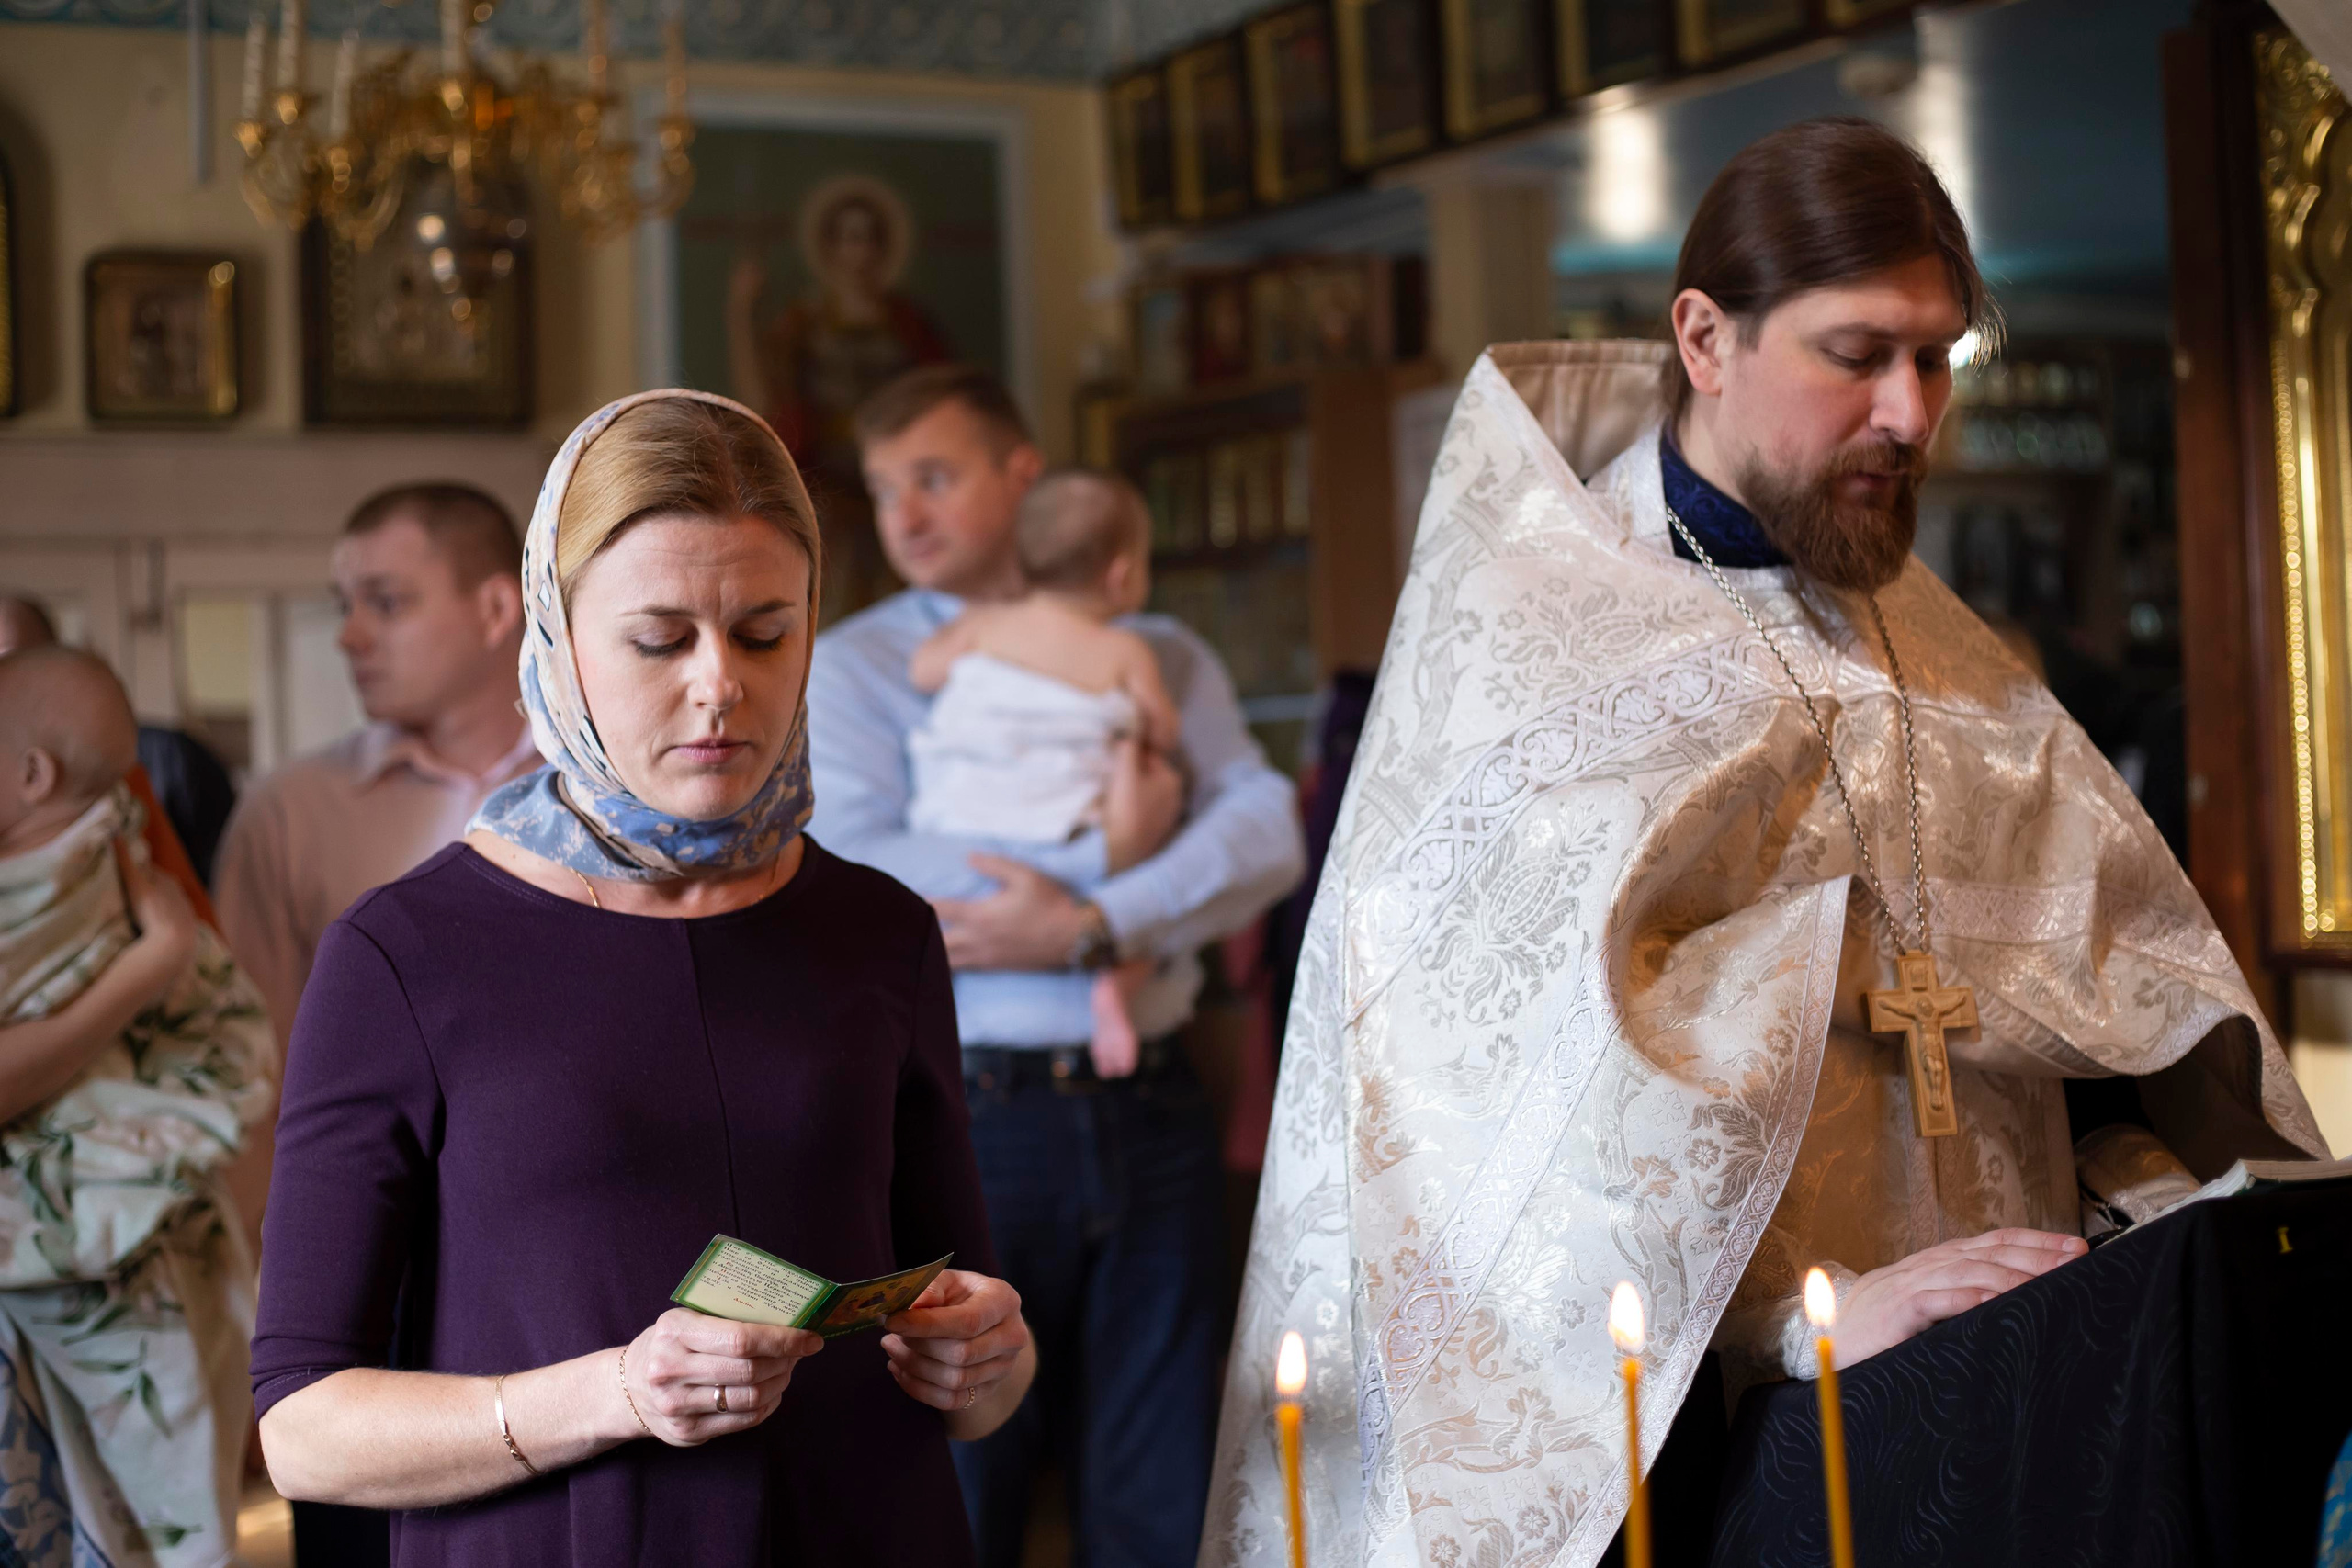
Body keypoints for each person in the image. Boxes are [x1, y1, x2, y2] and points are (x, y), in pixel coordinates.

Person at [1201, 118, 2327, 1568]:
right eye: (1857, 355)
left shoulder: (1939, 645)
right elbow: (1468, 1123)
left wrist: (2144, 1190)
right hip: (1710, 1449)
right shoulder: (1526, 652)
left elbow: (2113, 1019)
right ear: (1705, 337)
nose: (1914, 415)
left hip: (2011, 1394)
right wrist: (1794, 1314)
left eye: (1937, 358)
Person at [250, 389, 1033, 1564]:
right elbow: (302, 1431)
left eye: (766, 633)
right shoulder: (404, 955)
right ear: (556, 643)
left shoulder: (884, 930)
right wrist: (619, 1391)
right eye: (659, 639)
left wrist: (991, 1356)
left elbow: (964, 1365)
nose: (719, 685)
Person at [808, 365, 1304, 1568]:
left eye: (934, 477)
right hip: (966, 1115)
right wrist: (1132, 847)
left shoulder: (1159, 648)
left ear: (1022, 473)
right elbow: (876, 872)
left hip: (1156, 1109)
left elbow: (1265, 832)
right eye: (882, 490)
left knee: (1163, 1488)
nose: (904, 516)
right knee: (958, 1489)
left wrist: (1092, 915)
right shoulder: (857, 666)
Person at [0, 647, 272, 1567]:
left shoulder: (92, 860)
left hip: (122, 1207)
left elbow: (206, 997)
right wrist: (144, 971)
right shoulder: (122, 862)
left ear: (32, 775)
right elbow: (169, 956)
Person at [907, 469, 1179, 1077]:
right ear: (1122, 574)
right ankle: (1116, 986)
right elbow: (1163, 727)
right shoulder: (1126, 649)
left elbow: (924, 671)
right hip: (1076, 844)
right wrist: (1141, 736)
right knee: (1154, 837)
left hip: (966, 835)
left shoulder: (984, 624)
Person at [0, 595, 238, 891]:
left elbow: (194, 911)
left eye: (7, 660)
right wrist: (164, 939)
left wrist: (170, 934)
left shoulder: (131, 787)